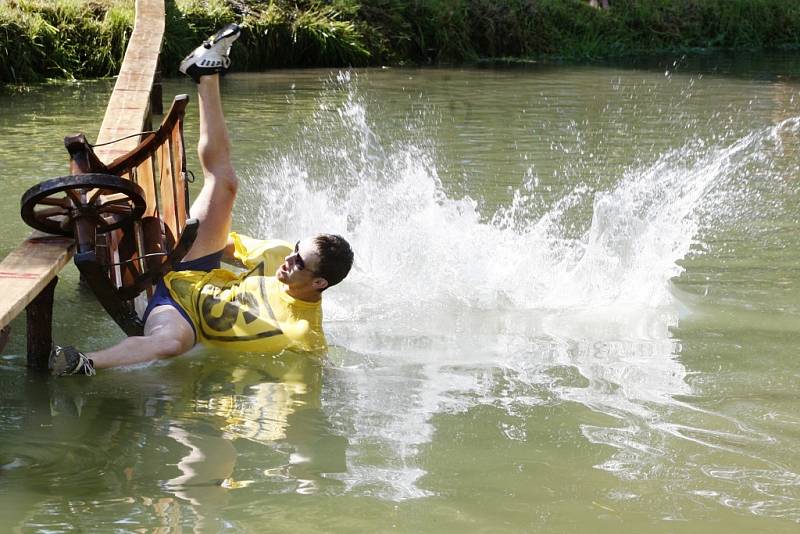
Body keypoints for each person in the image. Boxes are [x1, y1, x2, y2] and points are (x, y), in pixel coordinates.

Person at [49, 24, 354, 376]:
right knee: (226, 185)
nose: (289, 259)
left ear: (319, 284)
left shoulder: (305, 334)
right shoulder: (277, 256)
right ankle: (206, 73)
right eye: (297, 249)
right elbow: (226, 245)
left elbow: (315, 377)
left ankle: (81, 362)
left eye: (300, 261)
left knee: (169, 346)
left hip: (183, 314)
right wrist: (163, 240)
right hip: (194, 268)